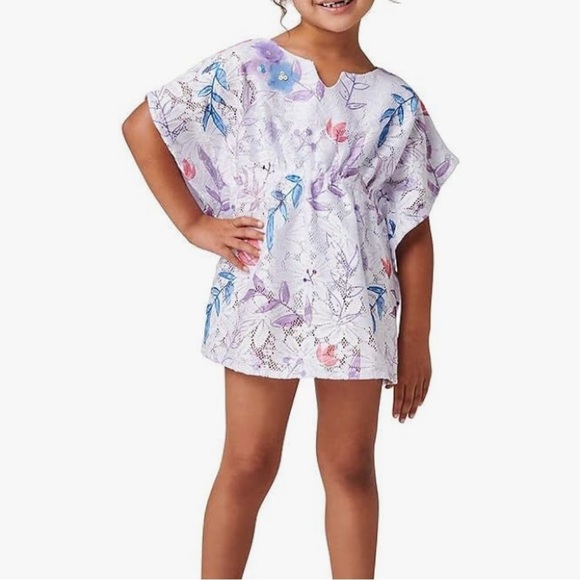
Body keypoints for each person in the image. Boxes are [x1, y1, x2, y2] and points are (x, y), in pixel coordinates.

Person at [122, 0, 459, 577]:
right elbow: (143, 127)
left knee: (350, 465)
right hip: (264, 292)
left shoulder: (396, 101)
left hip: (356, 305)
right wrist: (195, 224)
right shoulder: (248, 67)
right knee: (249, 461)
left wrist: (416, 338)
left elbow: (413, 225)